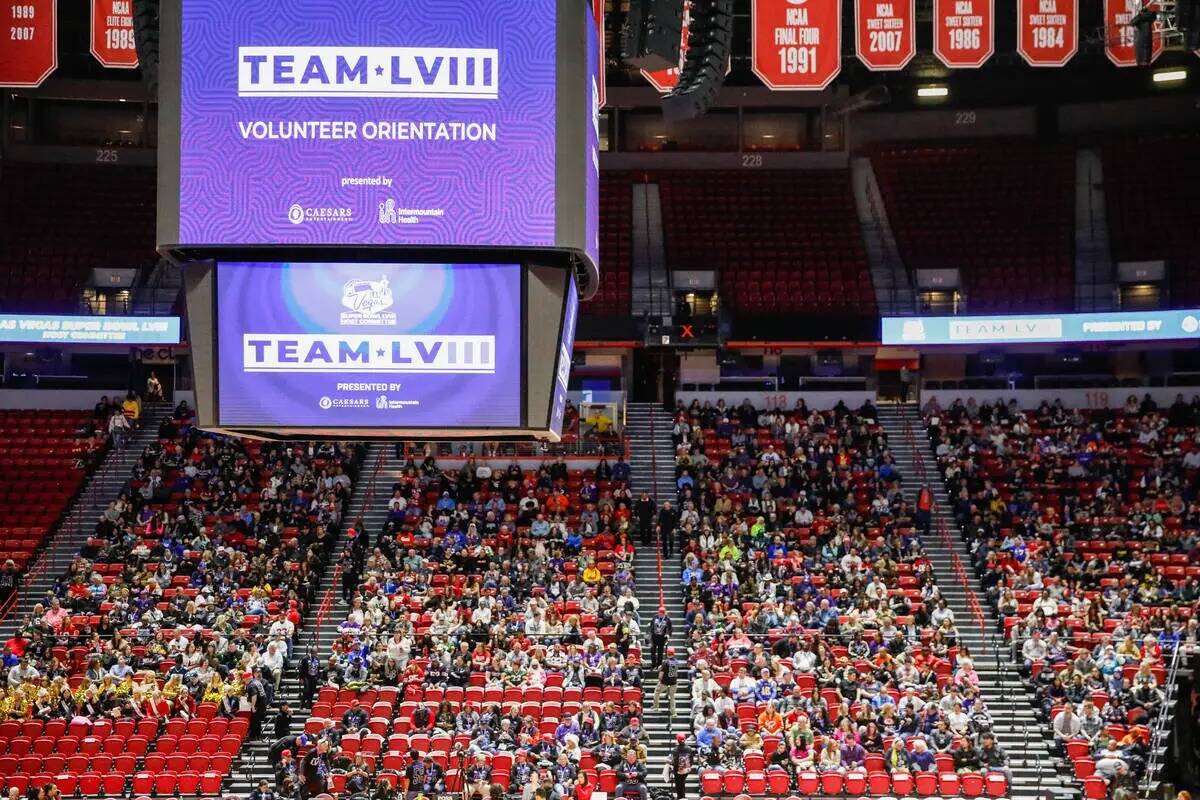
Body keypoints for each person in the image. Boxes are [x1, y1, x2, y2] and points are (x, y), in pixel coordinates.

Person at [654, 646, 680, 725]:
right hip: (673, 682)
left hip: (664, 682)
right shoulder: (676, 661)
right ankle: (674, 712)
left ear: (667, 653)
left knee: (657, 692)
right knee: (672, 697)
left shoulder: (665, 662)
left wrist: (659, 679)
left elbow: (661, 673)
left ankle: (656, 706)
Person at [668, 733, 693, 800]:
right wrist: (688, 767)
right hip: (686, 770)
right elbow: (691, 760)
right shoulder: (689, 749)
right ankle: (682, 797)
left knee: (679, 785)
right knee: (682, 783)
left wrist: (670, 762)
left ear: (677, 740)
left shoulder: (675, 750)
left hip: (678, 770)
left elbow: (675, 762)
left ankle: (681, 797)